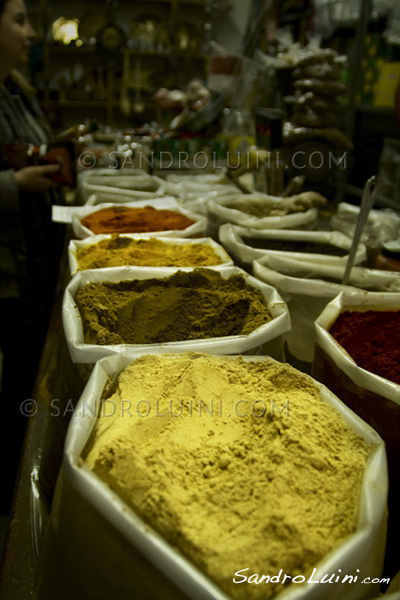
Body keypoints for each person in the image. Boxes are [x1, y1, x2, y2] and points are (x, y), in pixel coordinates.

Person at [0, 0, 66, 514]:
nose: (32, 31)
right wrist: (12, 183)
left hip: (35, 256)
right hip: (7, 271)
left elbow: (31, 148)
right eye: (19, 19)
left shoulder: (14, 91)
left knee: (29, 370)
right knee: (18, 375)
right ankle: (12, 495)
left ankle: (25, 473)